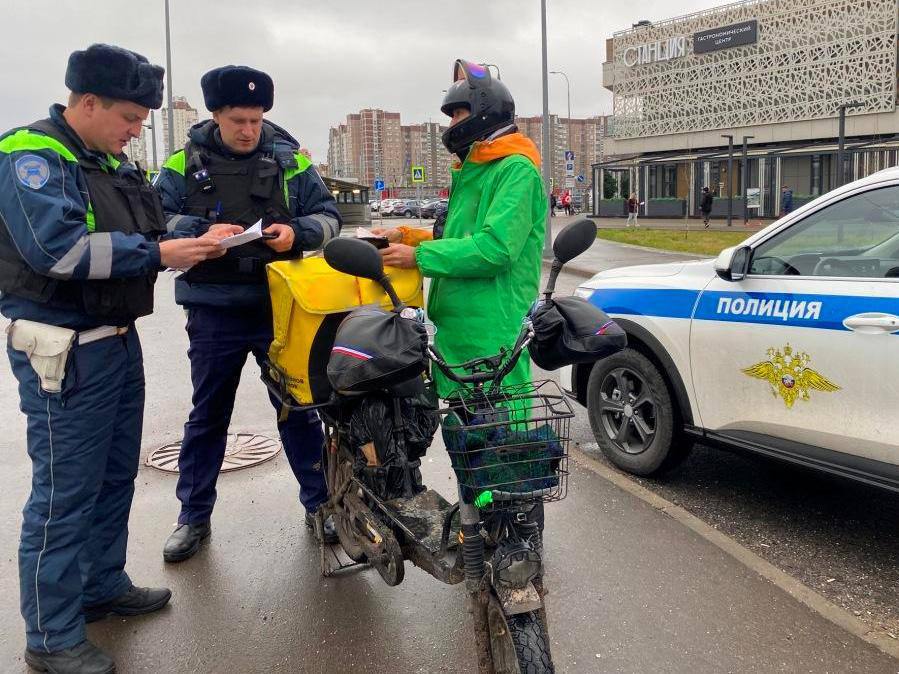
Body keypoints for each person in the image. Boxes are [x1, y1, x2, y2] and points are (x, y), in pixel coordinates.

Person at [0, 44, 227, 674]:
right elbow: (59, 251)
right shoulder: (32, 155)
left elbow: (147, 229)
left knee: (113, 477)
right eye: (130, 117)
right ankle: (50, 638)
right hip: (65, 351)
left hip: (115, 342)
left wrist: (193, 239)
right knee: (63, 493)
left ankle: (102, 586)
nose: (136, 131)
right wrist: (161, 255)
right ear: (87, 102)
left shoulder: (106, 161)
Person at [154, 65, 343, 563]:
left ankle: (319, 504)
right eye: (237, 119)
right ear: (215, 115)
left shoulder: (291, 162)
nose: (248, 130)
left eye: (256, 120)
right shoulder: (180, 164)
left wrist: (295, 234)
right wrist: (200, 231)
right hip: (214, 310)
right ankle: (192, 518)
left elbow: (329, 217)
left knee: (298, 408)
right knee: (209, 415)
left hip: (281, 308)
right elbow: (153, 221)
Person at [372, 58, 546, 397]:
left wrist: (419, 257)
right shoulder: (474, 168)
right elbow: (459, 238)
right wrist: (406, 236)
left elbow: (495, 248)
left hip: (490, 328)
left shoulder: (515, 170)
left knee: (502, 433)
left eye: (457, 114)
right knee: (463, 435)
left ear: (483, 112)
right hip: (458, 330)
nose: (451, 124)